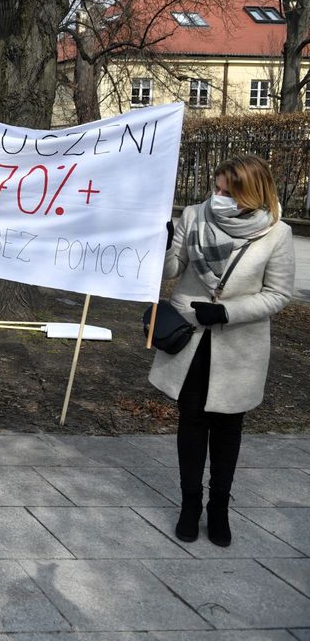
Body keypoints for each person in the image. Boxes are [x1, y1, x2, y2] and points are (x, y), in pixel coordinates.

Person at [149, 154, 294, 547]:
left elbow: (278, 295)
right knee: (191, 421)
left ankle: (219, 506)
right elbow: (170, 271)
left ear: (252, 193)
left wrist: (227, 311)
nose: (218, 197)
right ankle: (190, 504)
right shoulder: (195, 216)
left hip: (238, 346)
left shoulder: (277, 233)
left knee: (228, 427)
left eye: (228, 192)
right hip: (190, 337)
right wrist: (159, 245)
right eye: (215, 188)